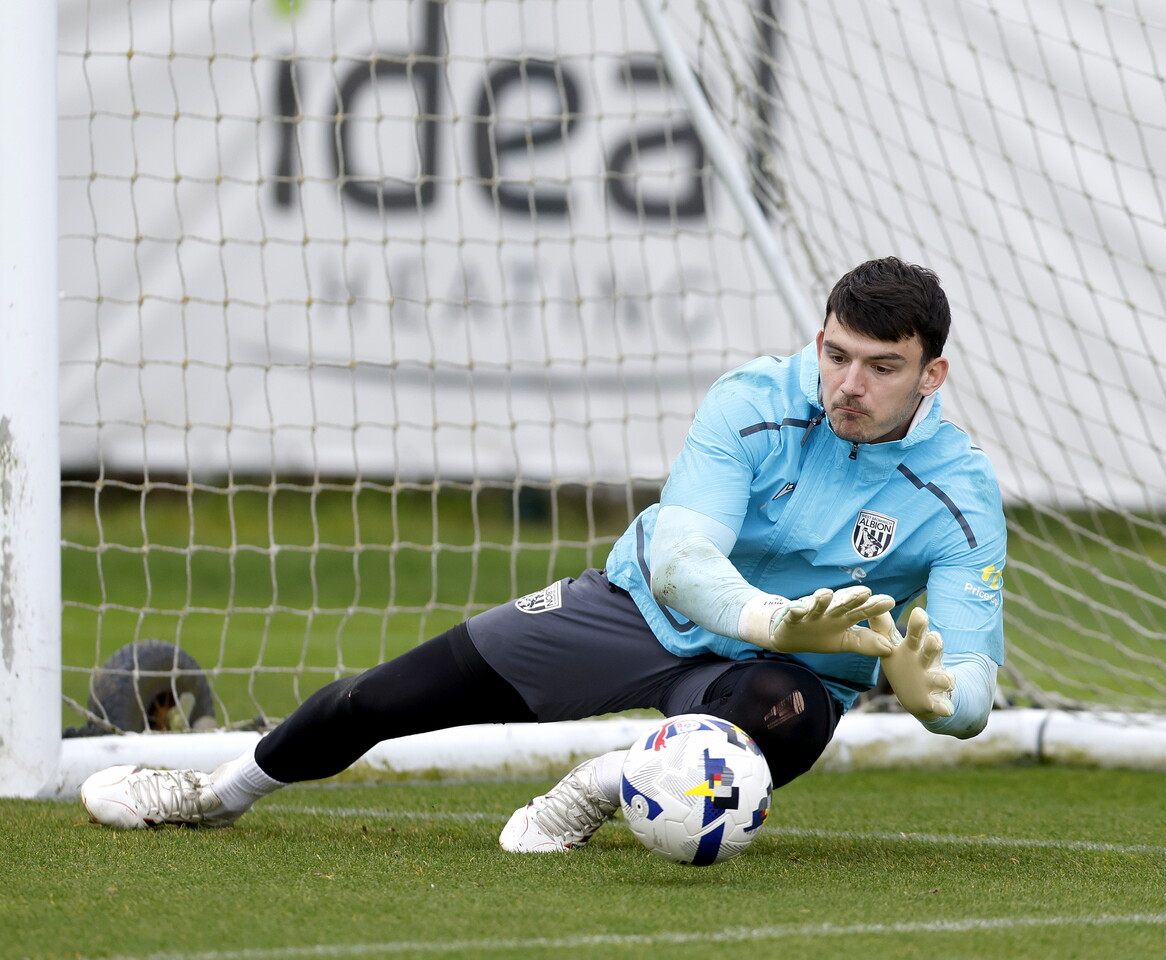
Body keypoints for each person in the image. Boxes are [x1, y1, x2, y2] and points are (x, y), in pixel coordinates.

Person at [80, 257, 1006, 851]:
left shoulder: (959, 497)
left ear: (932, 375)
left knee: (784, 718)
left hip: (777, 674)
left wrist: (940, 702)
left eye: (882, 369)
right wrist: (772, 614)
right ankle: (218, 790)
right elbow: (683, 558)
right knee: (386, 697)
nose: (850, 386)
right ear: (819, 341)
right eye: (837, 356)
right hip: (642, 606)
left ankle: (603, 783)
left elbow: (969, 679)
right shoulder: (752, 400)